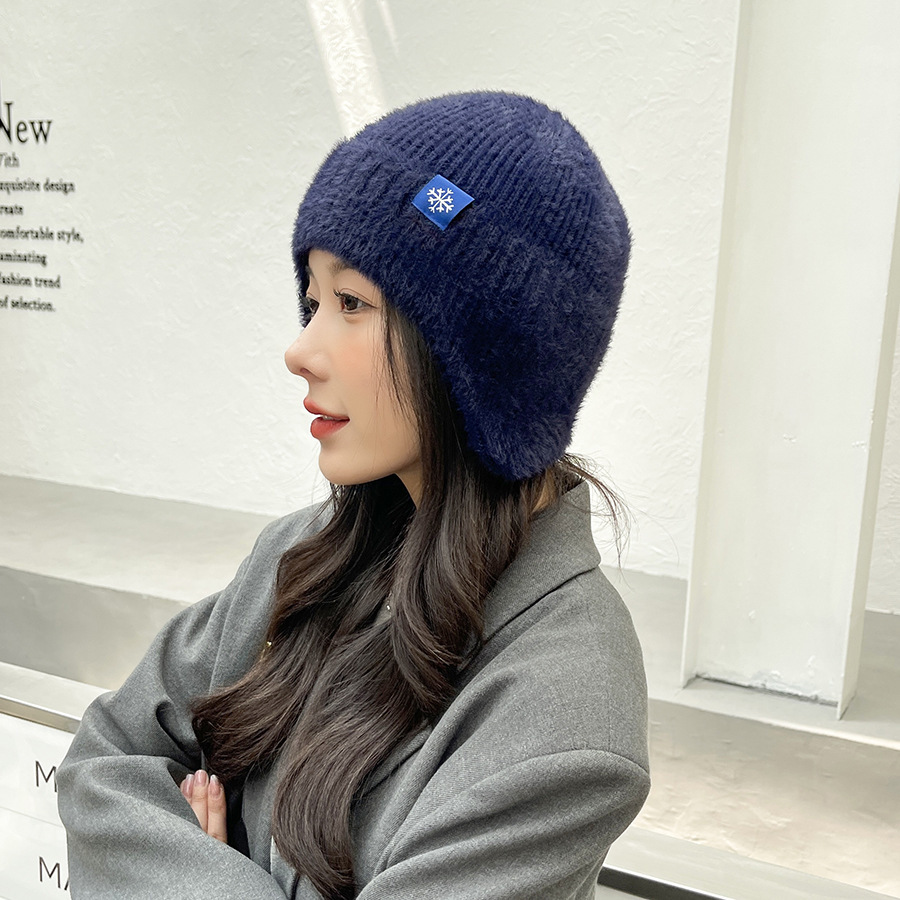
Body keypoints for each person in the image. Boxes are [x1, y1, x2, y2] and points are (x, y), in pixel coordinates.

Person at [57, 90, 650, 899]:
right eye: (312, 301)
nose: (300, 350)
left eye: (352, 303)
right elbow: (105, 761)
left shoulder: (567, 706)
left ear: (486, 353)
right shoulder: (299, 556)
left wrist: (199, 874)